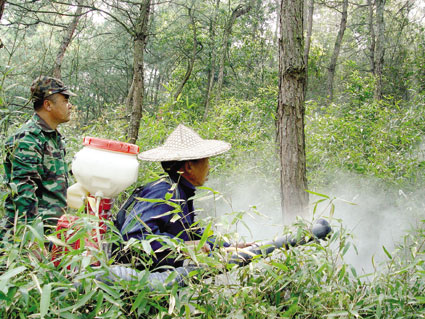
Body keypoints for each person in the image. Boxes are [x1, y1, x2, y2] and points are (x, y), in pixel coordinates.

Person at [117, 124, 250, 270]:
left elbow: (190, 234)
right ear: (189, 167)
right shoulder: (164, 192)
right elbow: (133, 238)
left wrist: (229, 246)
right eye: (206, 161)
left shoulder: (180, 191)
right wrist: (180, 246)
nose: (209, 167)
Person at [2, 76, 76, 233]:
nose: (70, 106)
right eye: (65, 100)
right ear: (48, 105)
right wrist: (32, 241)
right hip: (28, 237)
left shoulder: (53, 137)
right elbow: (23, 195)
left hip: (52, 233)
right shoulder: (27, 139)